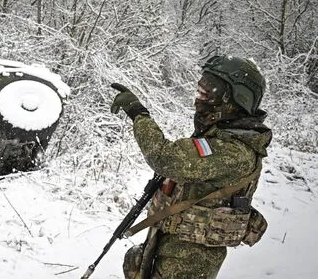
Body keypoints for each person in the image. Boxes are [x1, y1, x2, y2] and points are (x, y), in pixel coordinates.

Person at [111, 55, 272, 279]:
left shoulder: (234, 151)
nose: (199, 100)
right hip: (171, 248)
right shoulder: (223, 139)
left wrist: (139, 113)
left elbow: (165, 158)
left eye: (208, 93)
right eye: (200, 91)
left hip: (189, 264)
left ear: (235, 99)